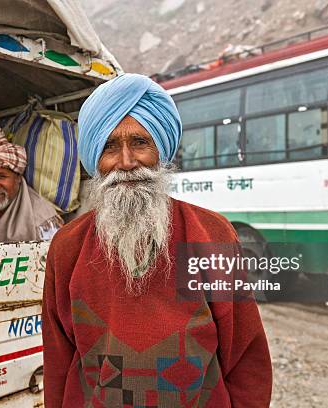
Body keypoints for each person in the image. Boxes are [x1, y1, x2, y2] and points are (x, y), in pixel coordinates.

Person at [42, 74, 272, 407]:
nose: (126, 162)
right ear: (95, 159)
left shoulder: (210, 234)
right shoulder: (67, 248)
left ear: (160, 150)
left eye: (139, 142)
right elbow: (59, 362)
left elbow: (246, 356)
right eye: (109, 146)